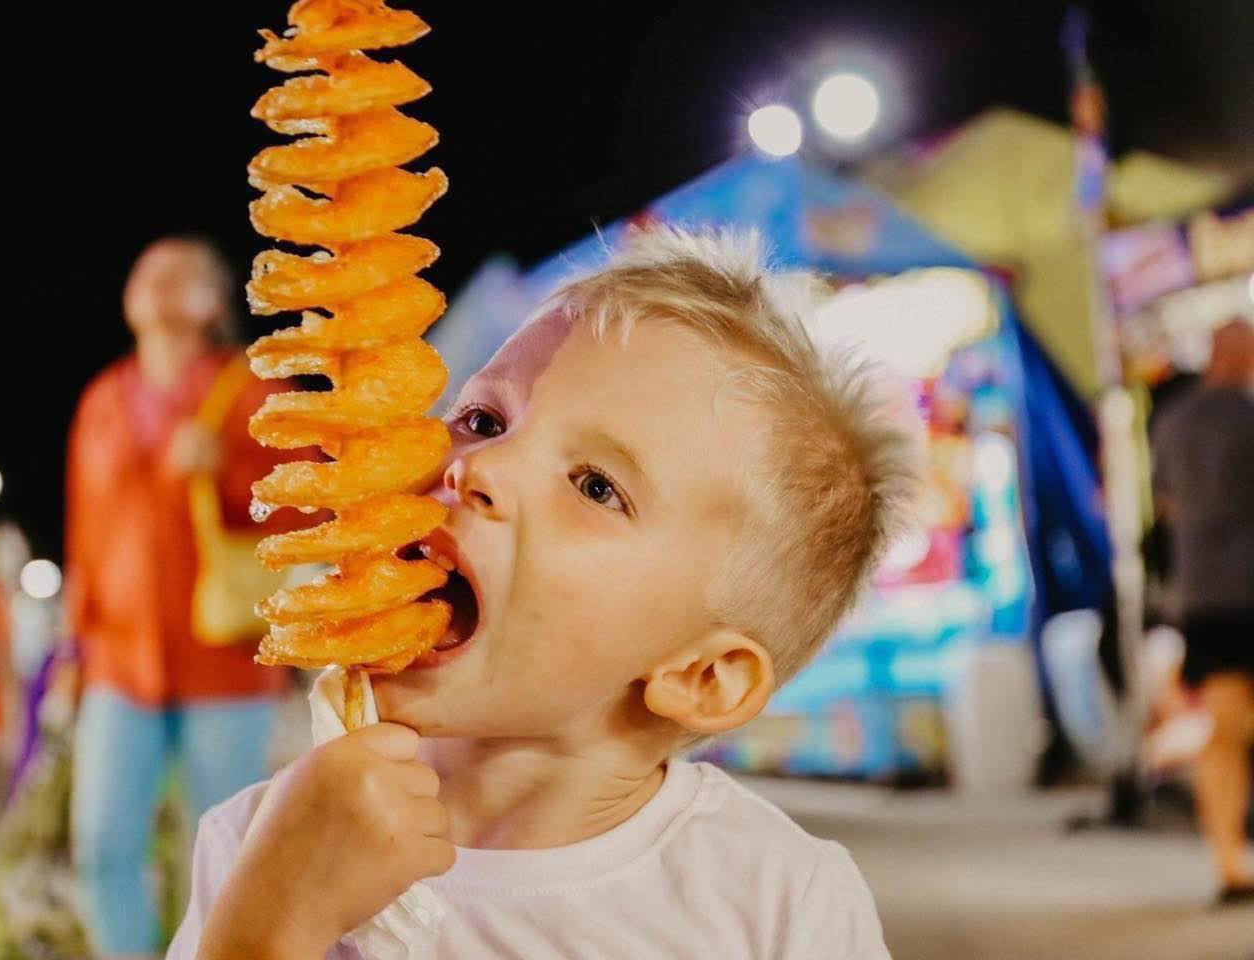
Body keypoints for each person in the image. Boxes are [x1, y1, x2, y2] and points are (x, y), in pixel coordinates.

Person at [167, 226, 917, 959]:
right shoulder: (266, 843)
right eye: (482, 418)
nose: (482, 466)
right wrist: (271, 925)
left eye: (596, 486)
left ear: (701, 676)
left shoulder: (776, 903)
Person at [64, 237, 317, 958]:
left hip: (226, 658)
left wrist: (232, 472)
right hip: (118, 659)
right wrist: (76, 644)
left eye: (181, 275)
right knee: (103, 846)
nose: (157, 282)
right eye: (146, 271)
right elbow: (85, 530)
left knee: (224, 851)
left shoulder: (256, 394)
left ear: (214, 302)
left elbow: (303, 514)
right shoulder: (102, 399)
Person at [1151, 318, 1254, 905]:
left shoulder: (1172, 422)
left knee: (1222, 732)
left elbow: (1165, 505)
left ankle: (1228, 861)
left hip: (1205, 597)